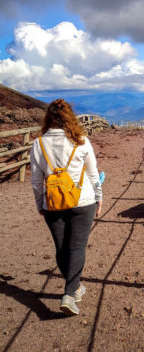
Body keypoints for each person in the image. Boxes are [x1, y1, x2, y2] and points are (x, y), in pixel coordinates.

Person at [30, 99, 102, 316]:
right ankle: (70, 293)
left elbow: (35, 179)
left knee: (62, 248)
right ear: (70, 118)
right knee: (77, 247)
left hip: (52, 203)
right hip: (83, 201)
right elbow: (92, 173)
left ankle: (75, 288)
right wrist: (99, 197)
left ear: (48, 119)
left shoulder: (38, 144)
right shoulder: (81, 141)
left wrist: (39, 203)